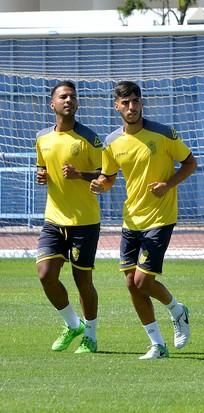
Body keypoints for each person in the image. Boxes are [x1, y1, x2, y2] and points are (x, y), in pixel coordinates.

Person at [90, 81, 196, 360]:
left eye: (135, 101)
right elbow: (108, 177)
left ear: (141, 103)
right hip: (131, 219)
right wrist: (101, 185)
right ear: (117, 106)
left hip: (160, 217)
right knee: (130, 283)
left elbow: (190, 162)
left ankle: (176, 310)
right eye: (125, 103)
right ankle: (157, 345)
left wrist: (168, 184)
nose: (132, 107)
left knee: (142, 280)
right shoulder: (112, 142)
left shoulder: (163, 134)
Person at [35, 80, 103, 354]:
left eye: (73, 97)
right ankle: (72, 324)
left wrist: (80, 175)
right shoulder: (42, 138)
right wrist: (41, 176)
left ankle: (91, 335)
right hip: (53, 219)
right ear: (52, 104)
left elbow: (105, 177)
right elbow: (43, 169)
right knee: (45, 274)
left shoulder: (90, 138)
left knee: (82, 281)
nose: (69, 100)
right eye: (63, 96)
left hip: (84, 222)